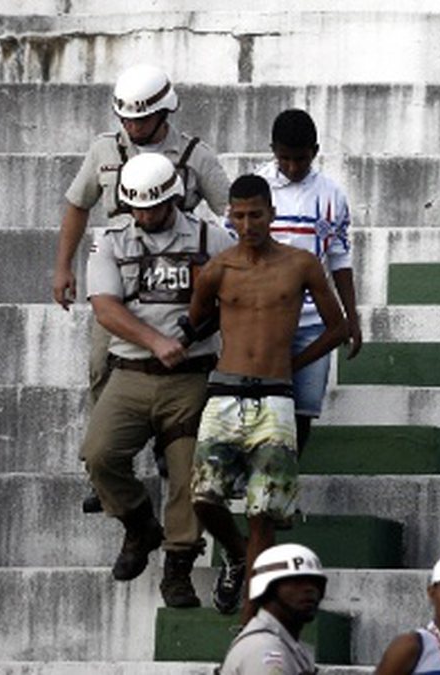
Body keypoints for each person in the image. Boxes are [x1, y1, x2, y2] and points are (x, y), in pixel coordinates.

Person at [52, 64, 231, 513]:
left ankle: (170, 453)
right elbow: (78, 205)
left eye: (142, 119)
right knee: (100, 367)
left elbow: (229, 211)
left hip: (179, 282)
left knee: (187, 375)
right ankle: (112, 472)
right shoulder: (104, 151)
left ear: (164, 112)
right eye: (126, 119)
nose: (133, 127)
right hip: (117, 278)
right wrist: (63, 268)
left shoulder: (194, 155)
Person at [187, 175, 348, 617]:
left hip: (276, 397)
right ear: (230, 217)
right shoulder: (217, 269)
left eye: (255, 214)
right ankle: (237, 555)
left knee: (264, 512)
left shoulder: (300, 264)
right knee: (203, 498)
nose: (247, 223)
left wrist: (292, 364)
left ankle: (250, 619)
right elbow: (194, 324)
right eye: (238, 215)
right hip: (225, 391)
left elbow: (338, 327)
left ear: (271, 213)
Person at [82, 153, 235, 608]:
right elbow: (106, 307)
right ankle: (139, 525)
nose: (145, 216)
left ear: (173, 197)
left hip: (191, 376)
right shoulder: (108, 241)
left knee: (189, 475)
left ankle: (179, 568)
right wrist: (156, 341)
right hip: (130, 372)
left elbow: (233, 298)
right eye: (137, 208)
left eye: (154, 207)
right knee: (99, 455)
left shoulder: (214, 239)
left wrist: (196, 333)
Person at [254, 109, 362, 454]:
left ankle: (284, 489)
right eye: (284, 158)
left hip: (314, 323)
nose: (293, 167)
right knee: (266, 407)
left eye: (300, 159)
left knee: (301, 414)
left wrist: (352, 319)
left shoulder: (332, 195)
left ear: (314, 152)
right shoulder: (256, 188)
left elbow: (340, 259)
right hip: (264, 318)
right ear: (273, 150)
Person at [218, 543, 327, 675]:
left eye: (315, 583)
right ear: (268, 589)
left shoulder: (285, 643)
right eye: (296, 582)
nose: (310, 589)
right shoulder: (264, 649)